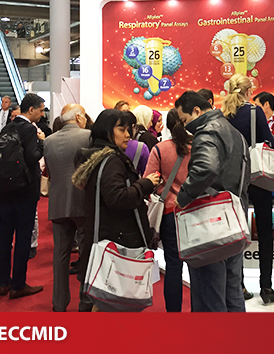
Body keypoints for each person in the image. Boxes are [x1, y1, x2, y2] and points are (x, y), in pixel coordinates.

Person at [72, 109, 161, 311]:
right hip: (116, 238)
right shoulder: (111, 160)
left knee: (102, 297)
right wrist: (145, 184)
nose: (128, 135)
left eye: (128, 129)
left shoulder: (95, 156)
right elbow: (117, 198)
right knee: (114, 300)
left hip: (102, 234)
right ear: (107, 131)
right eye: (122, 129)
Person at [175, 90, 249, 312]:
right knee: (232, 290)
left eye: (184, 120)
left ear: (197, 111)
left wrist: (183, 197)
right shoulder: (236, 133)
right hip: (234, 220)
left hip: (209, 224)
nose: (184, 126)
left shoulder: (207, 131)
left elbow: (205, 168)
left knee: (209, 294)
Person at [222, 73, 274, 305]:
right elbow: (270, 141)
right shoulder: (255, 112)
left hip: (233, 179)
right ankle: (266, 287)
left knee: (236, 232)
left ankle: (239, 285)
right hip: (258, 176)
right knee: (265, 231)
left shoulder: (223, 114)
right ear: (249, 92)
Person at [0, 93, 46, 299]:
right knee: (23, 237)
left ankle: (2, 282)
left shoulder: (8, 127)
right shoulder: (29, 129)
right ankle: (18, 284)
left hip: (5, 189)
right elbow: (32, 157)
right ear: (31, 110)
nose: (42, 114)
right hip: (25, 190)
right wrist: (41, 143)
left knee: (4, 237)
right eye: (40, 110)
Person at [44, 104, 92, 312]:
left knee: (60, 256)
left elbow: (50, 172)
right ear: (79, 117)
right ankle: (85, 301)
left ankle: (59, 303)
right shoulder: (88, 137)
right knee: (86, 254)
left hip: (58, 203)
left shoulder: (48, 141)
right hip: (82, 202)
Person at [143, 108, 191, 312]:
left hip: (169, 214)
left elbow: (148, 180)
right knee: (198, 267)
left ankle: (174, 315)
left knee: (173, 266)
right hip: (194, 213)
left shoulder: (160, 149)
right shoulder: (198, 148)